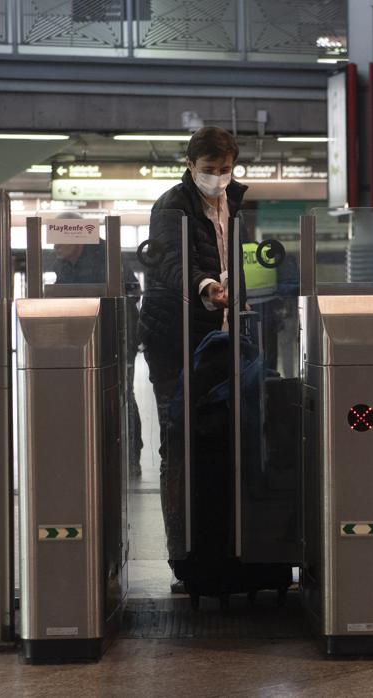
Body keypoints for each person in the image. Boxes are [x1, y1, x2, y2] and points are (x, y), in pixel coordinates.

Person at [138, 126, 248, 592]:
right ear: (190, 166)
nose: (218, 179)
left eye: (225, 170)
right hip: (175, 336)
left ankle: (224, 550)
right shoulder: (171, 206)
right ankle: (183, 557)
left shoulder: (236, 201)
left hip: (222, 334)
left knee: (226, 437)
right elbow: (168, 261)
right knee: (177, 443)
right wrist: (206, 287)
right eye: (209, 171)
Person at [50, 217, 144, 478]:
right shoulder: (64, 263)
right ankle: (92, 451)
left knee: (122, 391)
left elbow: (130, 292)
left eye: (59, 239)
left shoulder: (105, 256)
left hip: (116, 334)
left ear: (77, 238)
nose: (54, 245)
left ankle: (130, 455)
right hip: (83, 335)